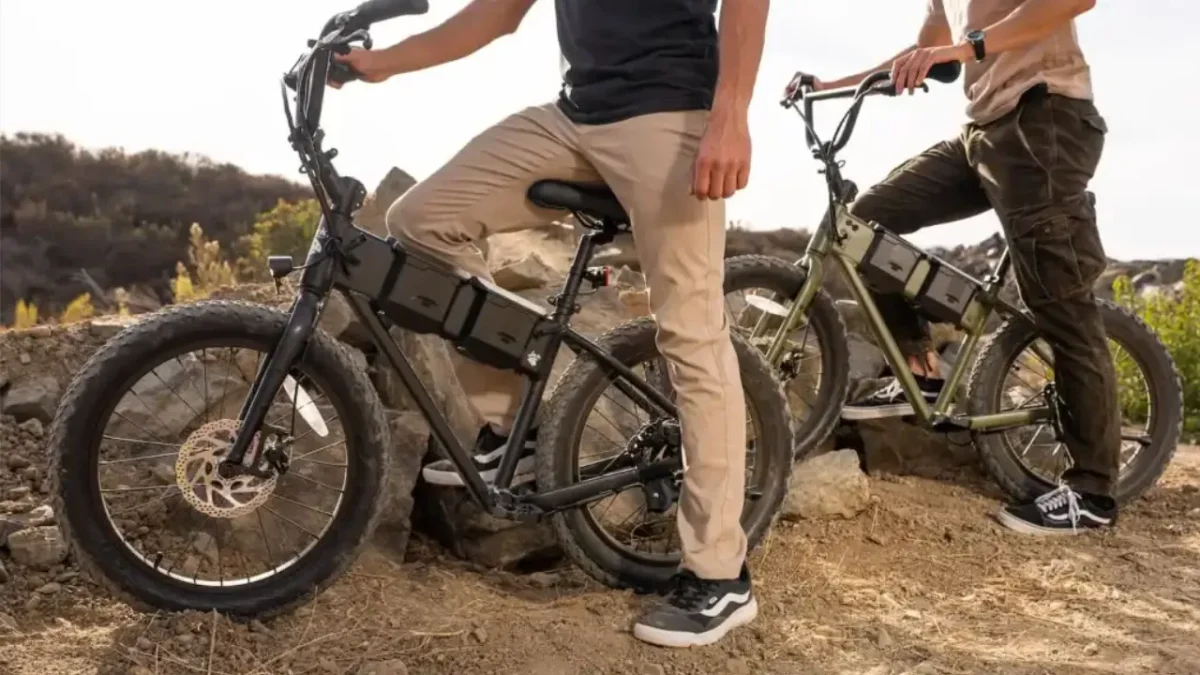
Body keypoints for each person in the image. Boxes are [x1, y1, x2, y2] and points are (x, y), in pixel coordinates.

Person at [332, 0, 769, 648]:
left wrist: (731, 115)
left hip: (671, 114)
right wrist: (382, 64)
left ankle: (719, 574)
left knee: (691, 333)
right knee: (421, 222)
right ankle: (522, 426)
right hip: (573, 119)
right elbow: (496, 14)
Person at [812, 0, 1118, 534]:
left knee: (1059, 303)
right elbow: (928, 52)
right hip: (982, 132)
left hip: (1044, 117)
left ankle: (1092, 493)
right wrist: (830, 85)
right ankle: (922, 371)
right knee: (864, 222)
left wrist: (966, 47)